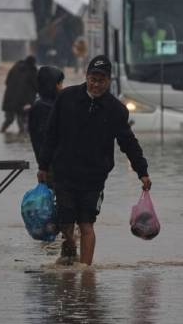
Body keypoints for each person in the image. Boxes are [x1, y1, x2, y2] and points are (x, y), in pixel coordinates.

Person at [37, 55, 151, 266]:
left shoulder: (116, 110)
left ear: (108, 81)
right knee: (66, 223)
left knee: (87, 223)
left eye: (101, 80)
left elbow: (128, 143)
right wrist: (43, 166)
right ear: (86, 76)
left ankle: (85, 272)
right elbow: (50, 134)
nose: (96, 84)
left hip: (94, 178)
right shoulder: (66, 98)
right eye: (93, 78)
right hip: (64, 173)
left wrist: (142, 171)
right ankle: (69, 245)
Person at [28, 66, 65, 168]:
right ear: (51, 85)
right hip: (52, 166)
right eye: (60, 84)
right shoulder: (41, 108)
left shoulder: (55, 104)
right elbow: (45, 140)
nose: (61, 87)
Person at [1, 55, 39, 133]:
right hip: (23, 101)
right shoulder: (32, 71)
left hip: (10, 98)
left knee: (9, 119)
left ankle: (2, 130)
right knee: (22, 121)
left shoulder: (15, 67)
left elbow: (7, 81)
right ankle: (22, 139)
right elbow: (37, 86)